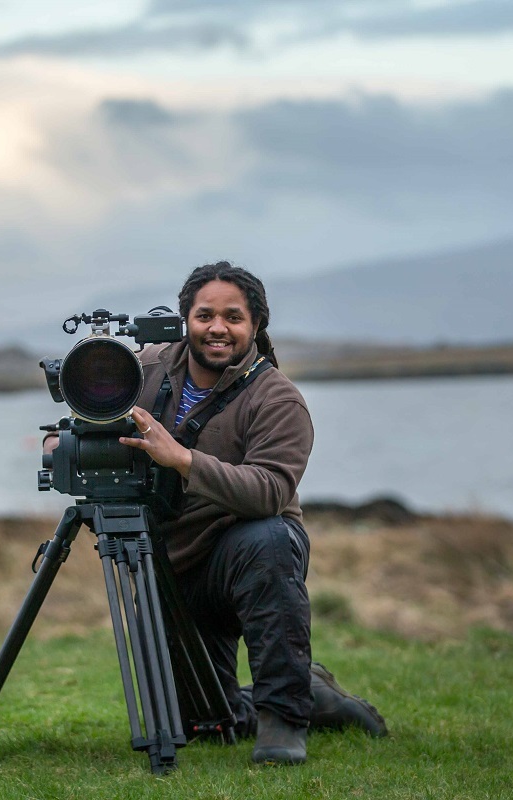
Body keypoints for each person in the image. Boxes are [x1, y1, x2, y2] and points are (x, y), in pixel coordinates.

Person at [111, 261, 387, 764]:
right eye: (205, 315)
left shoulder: (277, 398)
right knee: (204, 725)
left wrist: (184, 460)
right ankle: (316, 693)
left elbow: (271, 490)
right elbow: (96, 404)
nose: (218, 328)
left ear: (255, 326)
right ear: (184, 320)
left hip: (247, 558)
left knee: (270, 536)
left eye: (233, 317)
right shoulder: (145, 371)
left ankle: (284, 718)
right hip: (171, 571)